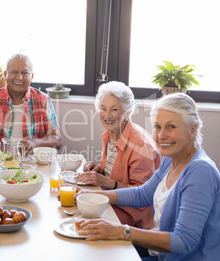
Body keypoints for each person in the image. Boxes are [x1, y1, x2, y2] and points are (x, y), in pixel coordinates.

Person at [75, 93, 220, 260]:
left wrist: (122, 231)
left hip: (173, 256)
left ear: (192, 129)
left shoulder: (200, 172)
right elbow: (142, 194)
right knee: (91, 245)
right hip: (158, 251)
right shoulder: (172, 160)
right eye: (157, 126)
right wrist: (93, 195)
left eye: (171, 127)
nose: (161, 135)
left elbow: (184, 241)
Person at [78, 81, 160, 229]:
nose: (107, 115)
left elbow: (143, 196)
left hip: (132, 219)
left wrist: (106, 182)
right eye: (103, 108)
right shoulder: (111, 134)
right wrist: (98, 170)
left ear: (127, 112)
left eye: (114, 109)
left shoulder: (140, 145)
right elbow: (115, 173)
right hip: (111, 203)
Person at [0, 53, 62, 153]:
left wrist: (34, 143)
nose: (19, 77)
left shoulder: (43, 100)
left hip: (33, 164)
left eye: (25, 73)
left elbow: (57, 140)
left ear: (31, 77)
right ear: (5, 74)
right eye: (14, 72)